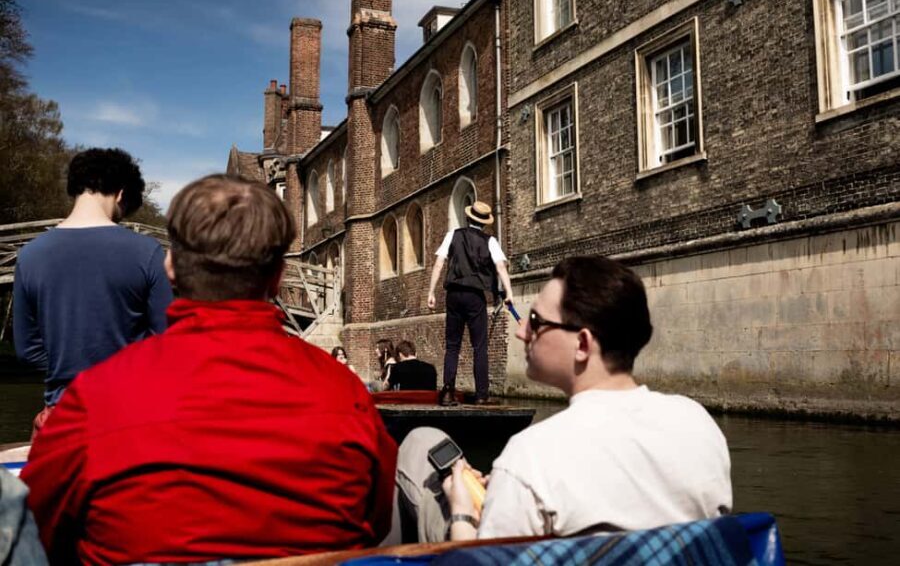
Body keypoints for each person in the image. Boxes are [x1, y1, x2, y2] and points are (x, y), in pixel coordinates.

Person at [21, 175, 397, 564]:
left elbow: (37, 529)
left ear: (170, 266)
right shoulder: (346, 393)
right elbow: (376, 520)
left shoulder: (95, 395)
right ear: (279, 277)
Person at [400, 256, 732, 542]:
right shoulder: (698, 423)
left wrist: (462, 512)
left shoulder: (530, 456)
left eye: (535, 322)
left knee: (420, 443)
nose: (521, 332)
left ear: (583, 344)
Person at [13, 148, 173, 433]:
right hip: (129, 414)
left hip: (63, 414)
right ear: (121, 195)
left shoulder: (29, 255)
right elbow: (164, 340)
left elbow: (27, 349)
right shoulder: (146, 252)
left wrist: (69, 365)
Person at [427, 201, 514, 405]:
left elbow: (439, 263)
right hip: (475, 297)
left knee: (452, 346)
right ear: (484, 223)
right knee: (480, 346)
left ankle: (448, 392)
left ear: (468, 218)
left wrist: (431, 292)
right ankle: (482, 394)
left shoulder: (453, 235)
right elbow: (501, 267)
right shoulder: (490, 241)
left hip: (454, 294)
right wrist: (508, 292)